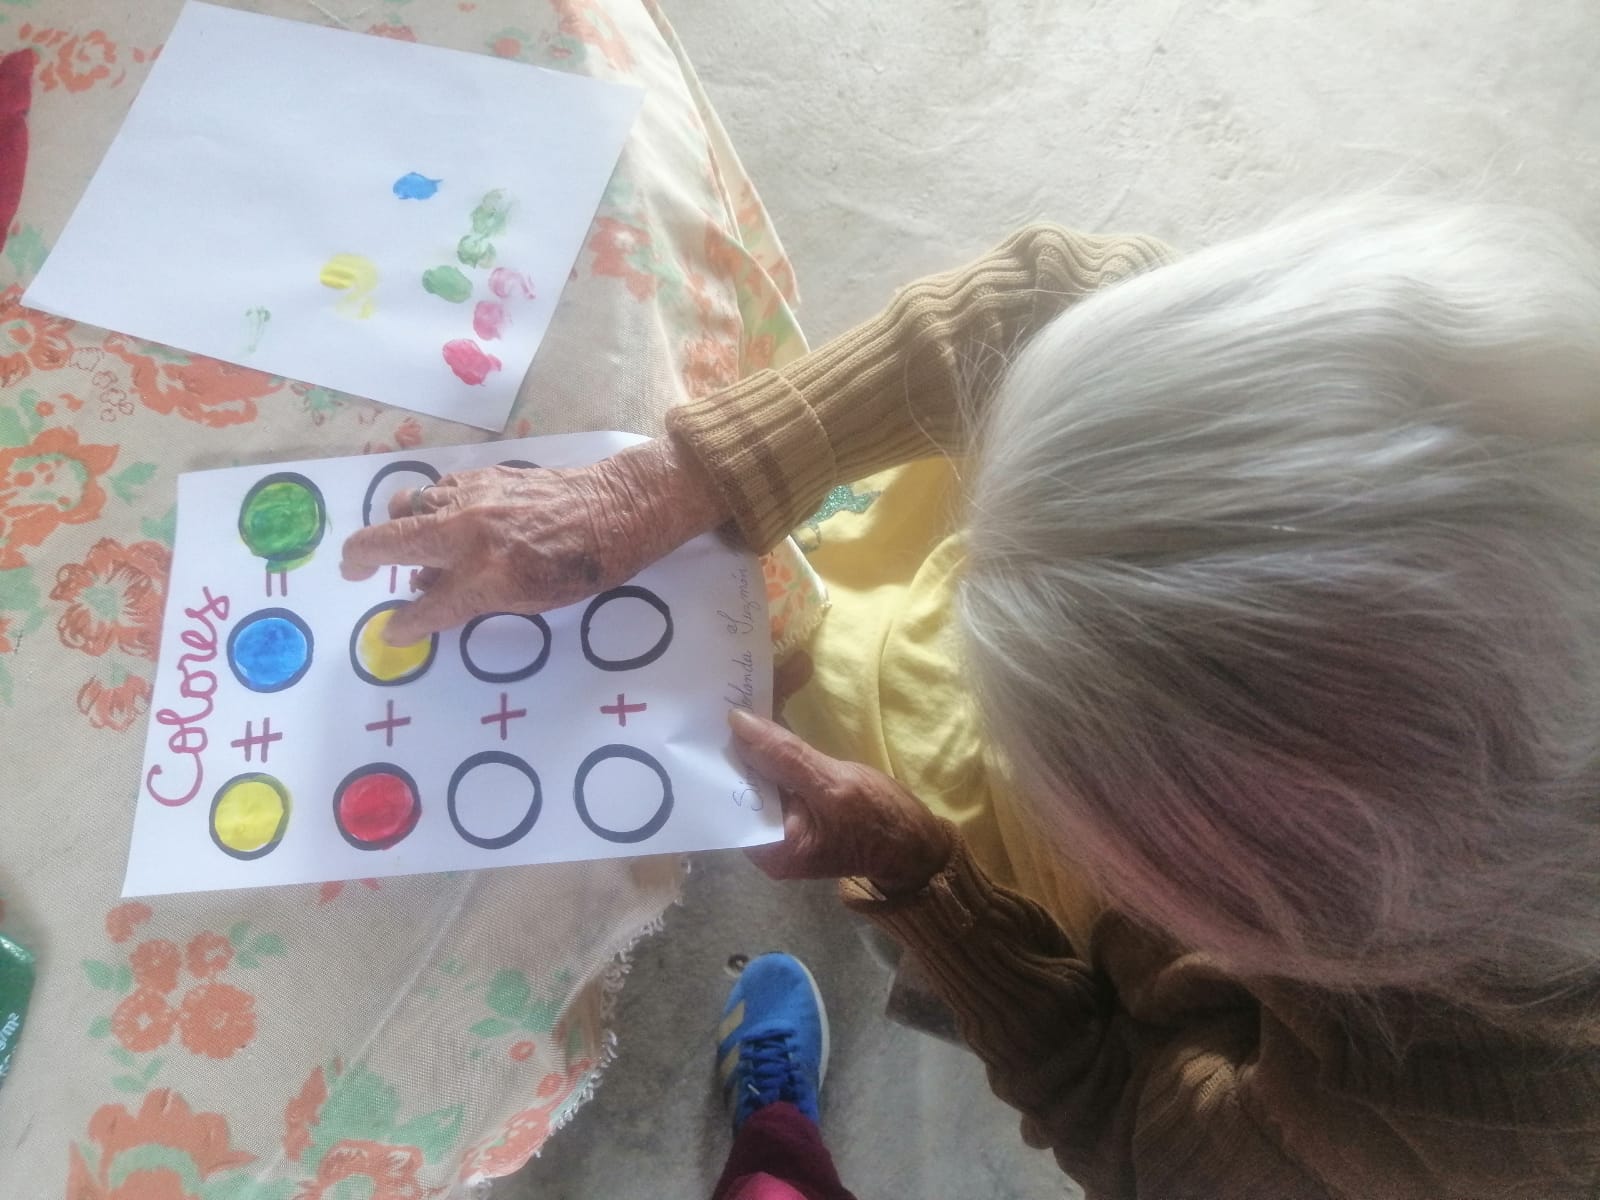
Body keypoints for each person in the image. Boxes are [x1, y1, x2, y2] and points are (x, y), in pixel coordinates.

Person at [341, 203, 1600, 1198]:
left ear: (1235, 902)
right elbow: (1045, 304)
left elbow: (1127, 1117)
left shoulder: (1455, 1136)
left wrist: (926, 882)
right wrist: (682, 475)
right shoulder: (1530, 420)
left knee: (853, 674)